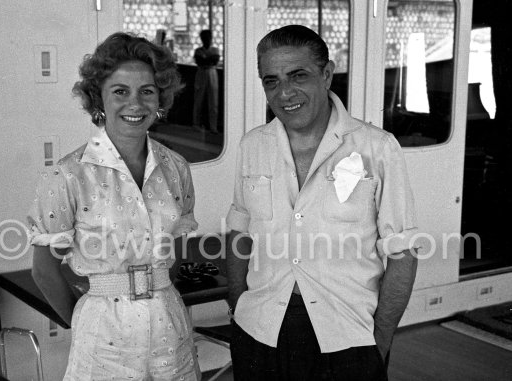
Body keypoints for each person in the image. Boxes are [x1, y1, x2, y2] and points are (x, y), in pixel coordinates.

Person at [226, 25, 419, 380]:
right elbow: (240, 231)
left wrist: (380, 339)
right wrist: (239, 306)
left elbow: (402, 253)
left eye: (298, 76)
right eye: (271, 81)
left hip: (348, 334)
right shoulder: (253, 145)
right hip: (259, 329)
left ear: (327, 74)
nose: (285, 92)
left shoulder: (377, 148)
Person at [28, 32, 201, 380]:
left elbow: (173, 250)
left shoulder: (176, 167)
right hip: (103, 331)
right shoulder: (67, 174)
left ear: (160, 98)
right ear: (98, 99)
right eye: (120, 91)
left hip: (170, 323)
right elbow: (43, 271)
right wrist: (86, 320)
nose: (134, 104)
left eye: (146, 91)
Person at [192, 29, 220, 134]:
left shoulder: (215, 50)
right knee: (198, 99)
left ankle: (213, 126)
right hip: (201, 73)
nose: (206, 40)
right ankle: (196, 124)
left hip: (212, 73)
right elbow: (201, 61)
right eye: (204, 38)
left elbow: (214, 60)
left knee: (213, 101)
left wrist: (205, 59)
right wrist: (208, 59)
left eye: (208, 38)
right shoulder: (198, 51)